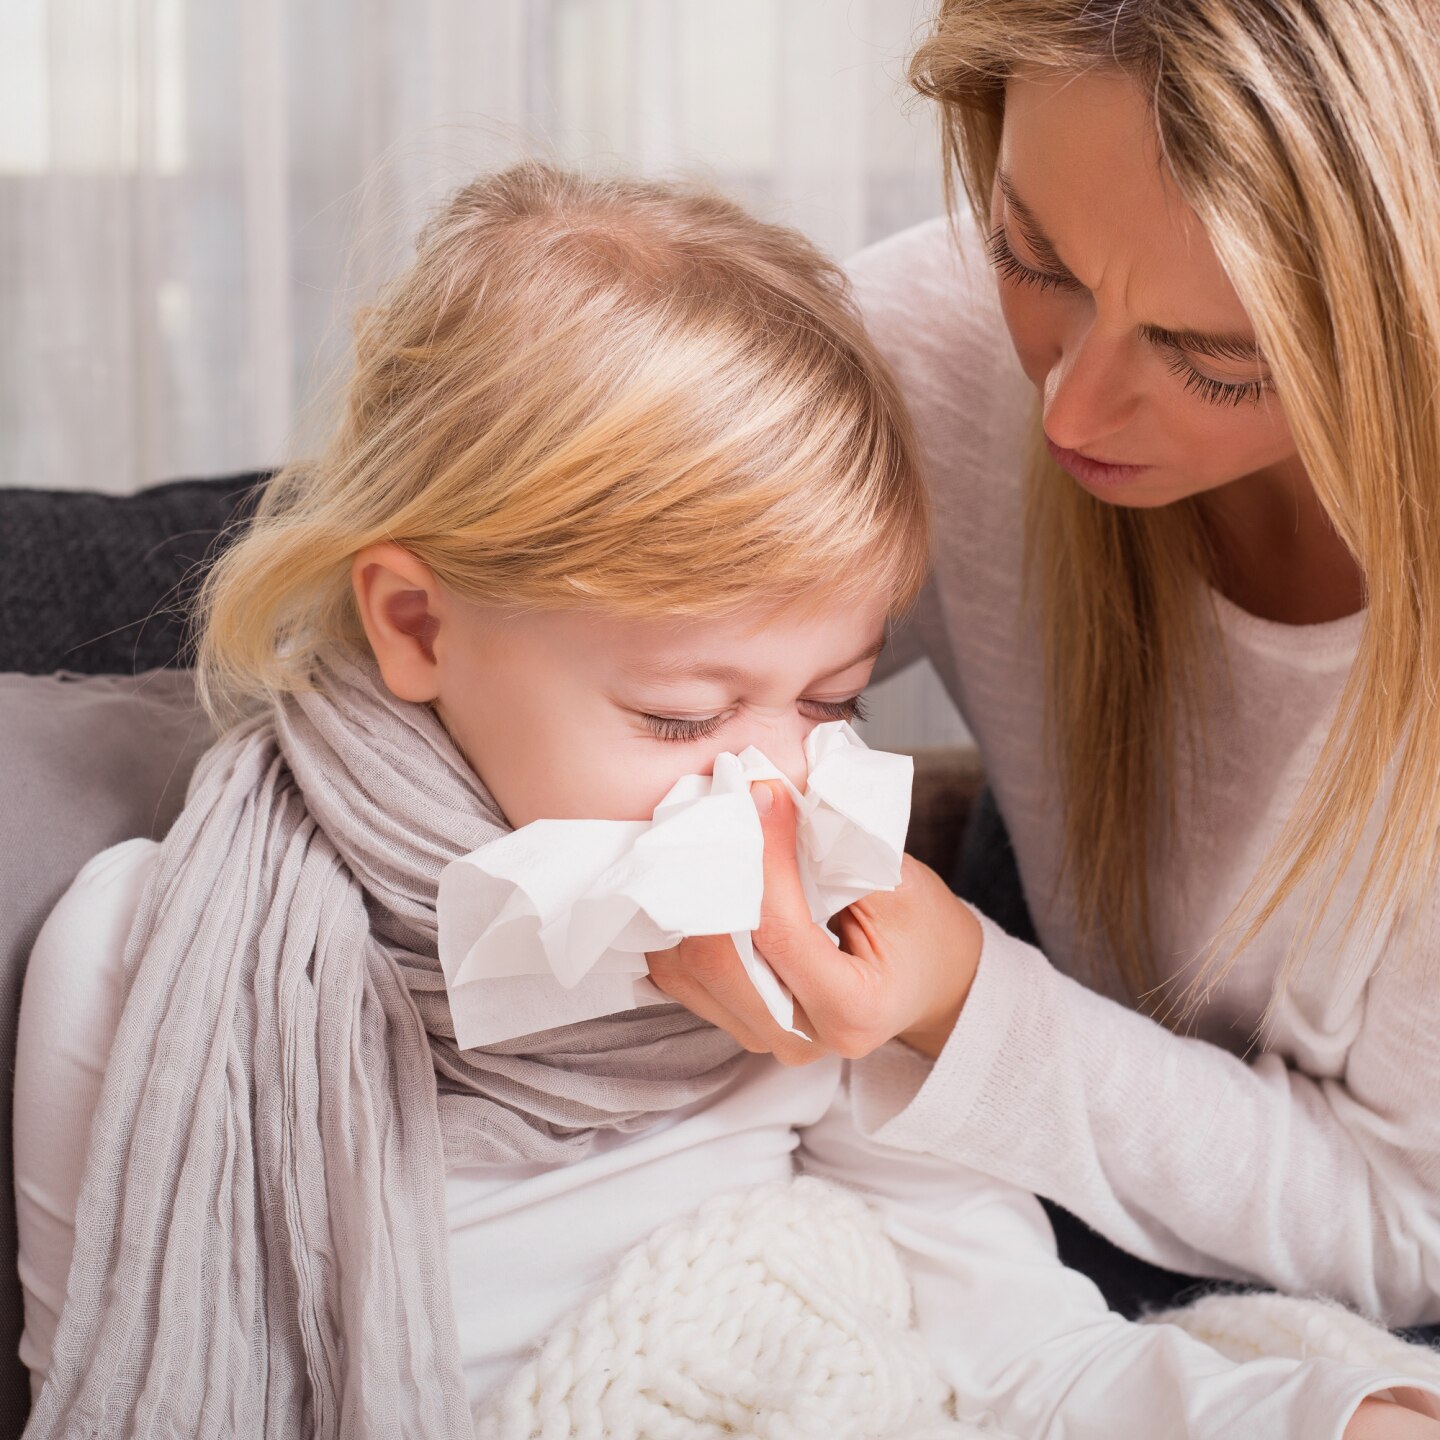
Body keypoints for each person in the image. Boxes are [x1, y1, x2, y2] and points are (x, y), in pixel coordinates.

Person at [14, 166, 1439, 1438]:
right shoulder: (151, 964)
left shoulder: (819, 968)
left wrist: (1317, 1414)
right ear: (417, 626)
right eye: (682, 718)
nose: (766, 783)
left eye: (831, 702)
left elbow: (1024, 1362)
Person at [646, 0, 1440, 1351]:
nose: (1067, 408)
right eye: (1032, 257)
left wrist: (966, 1001)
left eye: (1214, 360)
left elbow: (1404, 1230)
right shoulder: (936, 346)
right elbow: (552, 602)